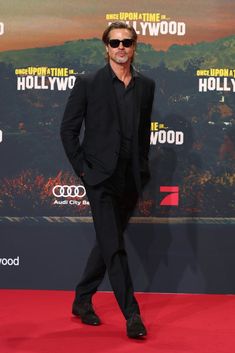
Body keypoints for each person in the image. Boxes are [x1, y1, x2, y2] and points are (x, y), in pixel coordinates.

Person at [60, 21, 155, 339]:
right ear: (106, 47)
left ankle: (82, 299)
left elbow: (143, 134)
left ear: (134, 46)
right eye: (114, 43)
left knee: (106, 242)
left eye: (126, 42)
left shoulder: (146, 86)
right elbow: (68, 131)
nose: (121, 48)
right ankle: (133, 314)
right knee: (114, 246)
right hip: (99, 178)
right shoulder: (88, 83)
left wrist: (142, 168)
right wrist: (83, 170)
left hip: (130, 179)